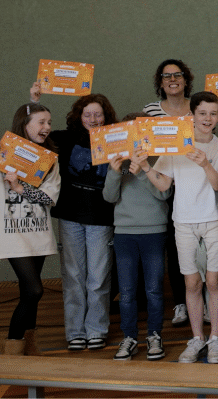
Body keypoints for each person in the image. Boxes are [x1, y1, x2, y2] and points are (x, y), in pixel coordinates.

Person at [143, 91, 218, 364]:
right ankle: (196, 339)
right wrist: (144, 167)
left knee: (215, 281)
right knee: (192, 283)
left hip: (214, 220)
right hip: (183, 221)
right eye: (202, 113)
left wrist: (205, 163)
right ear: (191, 116)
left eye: (213, 113)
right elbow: (163, 184)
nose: (207, 118)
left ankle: (215, 338)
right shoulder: (176, 144)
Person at [35, 89, 117, 351]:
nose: (93, 119)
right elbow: (31, 140)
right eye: (88, 114)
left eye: (98, 114)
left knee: (98, 278)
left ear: (106, 117)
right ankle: (75, 331)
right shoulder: (63, 138)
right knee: (73, 276)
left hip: (101, 218)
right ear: (79, 116)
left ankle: (96, 329)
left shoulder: (114, 141)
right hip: (70, 217)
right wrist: (34, 102)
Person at [104, 117, 173, 362]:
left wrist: (144, 171)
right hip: (124, 233)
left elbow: (164, 193)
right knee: (127, 290)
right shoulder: (117, 162)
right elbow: (109, 197)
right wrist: (114, 173)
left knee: (154, 289)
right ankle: (129, 337)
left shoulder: (160, 158)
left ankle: (154, 335)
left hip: (154, 231)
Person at [1, 104, 61, 356]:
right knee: (35, 289)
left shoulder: (50, 159)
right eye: (40, 122)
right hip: (12, 233)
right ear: (24, 124)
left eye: (49, 122)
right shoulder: (3, 154)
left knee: (30, 294)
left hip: (38, 230)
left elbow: (50, 198)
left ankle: (29, 347)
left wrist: (20, 188)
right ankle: (12, 352)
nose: (46, 127)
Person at [141, 59, 194, 327]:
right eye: (166, 76)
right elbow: (144, 147)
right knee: (175, 247)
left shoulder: (197, 108)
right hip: (164, 182)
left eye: (177, 75)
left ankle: (202, 299)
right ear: (160, 82)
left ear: (186, 79)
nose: (172, 79)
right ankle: (181, 303)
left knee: (200, 247)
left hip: (194, 183)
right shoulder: (150, 110)